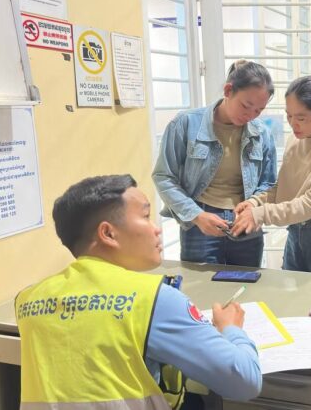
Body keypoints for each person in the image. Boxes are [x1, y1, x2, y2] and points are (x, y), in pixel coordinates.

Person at [15, 175, 262, 409]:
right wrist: (232, 329)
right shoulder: (152, 298)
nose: (157, 229)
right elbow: (245, 381)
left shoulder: (27, 299)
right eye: (145, 216)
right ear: (108, 233)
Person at [153, 60, 277, 267]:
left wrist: (253, 206)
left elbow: (269, 183)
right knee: (202, 284)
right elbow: (163, 176)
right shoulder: (186, 123)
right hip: (200, 222)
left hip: (246, 221)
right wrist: (196, 216)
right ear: (228, 91)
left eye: (258, 110)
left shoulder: (262, 133)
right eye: (246, 106)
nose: (250, 115)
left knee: (247, 283)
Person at [231, 75, 311, 276]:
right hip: (296, 231)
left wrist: (260, 214)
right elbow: (283, 188)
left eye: (301, 118)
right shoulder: (295, 140)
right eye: (289, 116)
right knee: (292, 293)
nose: (292, 123)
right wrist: (255, 202)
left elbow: (309, 204)